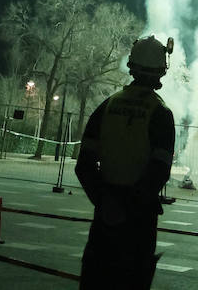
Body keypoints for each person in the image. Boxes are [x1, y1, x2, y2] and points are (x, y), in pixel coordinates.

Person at [75, 34, 176, 290]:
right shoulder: (161, 114)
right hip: (138, 224)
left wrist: (105, 203)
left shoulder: (106, 107)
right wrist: (129, 207)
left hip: (104, 220)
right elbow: (158, 171)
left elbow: (84, 165)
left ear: (131, 66)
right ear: (161, 72)